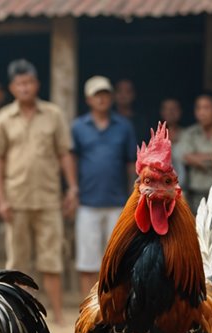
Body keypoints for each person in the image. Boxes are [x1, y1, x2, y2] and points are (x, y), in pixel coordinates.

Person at [0, 60, 76, 323]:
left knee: (52, 259)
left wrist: (72, 188)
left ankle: (58, 316)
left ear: (37, 85)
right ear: (12, 88)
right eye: (19, 84)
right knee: (17, 263)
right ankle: (19, 317)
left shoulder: (53, 114)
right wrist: (1, 200)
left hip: (49, 198)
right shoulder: (4, 118)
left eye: (29, 83)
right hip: (16, 200)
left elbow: (64, 154)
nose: (25, 88)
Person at [70, 75, 138, 298]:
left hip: (118, 201)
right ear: (88, 99)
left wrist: (133, 196)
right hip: (88, 201)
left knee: (119, 258)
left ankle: (117, 306)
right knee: (87, 260)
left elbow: (131, 163)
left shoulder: (124, 126)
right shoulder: (78, 127)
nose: (102, 99)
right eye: (97, 95)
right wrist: (73, 188)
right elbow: (72, 159)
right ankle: (88, 307)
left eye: (105, 94)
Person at [174, 90, 212, 212]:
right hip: (194, 194)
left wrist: (196, 157)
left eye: (206, 108)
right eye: (198, 108)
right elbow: (184, 156)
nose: (202, 112)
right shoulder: (189, 133)